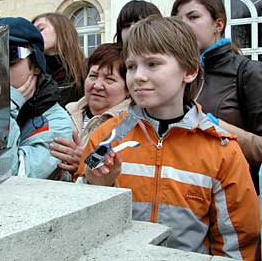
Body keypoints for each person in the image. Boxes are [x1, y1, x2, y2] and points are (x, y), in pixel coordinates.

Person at [78, 16, 260, 260]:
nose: (138, 76)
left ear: (189, 71)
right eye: (131, 66)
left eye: (153, 64)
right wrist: (97, 185)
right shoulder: (106, 136)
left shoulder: (222, 149)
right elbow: (80, 212)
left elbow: (237, 241)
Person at [171, 0, 262, 193]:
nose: (183, 25)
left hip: (234, 195)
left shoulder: (248, 72)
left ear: (218, 25)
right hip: (183, 195)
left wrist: (216, 126)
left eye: (193, 17)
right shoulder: (174, 74)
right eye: (177, 19)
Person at [0, 17, 73, 180]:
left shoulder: (56, 121)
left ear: (36, 65)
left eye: (11, 57)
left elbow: (13, 175)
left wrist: (8, 107)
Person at [49, 43, 130, 171]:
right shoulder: (64, 113)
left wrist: (85, 164)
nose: (97, 85)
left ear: (128, 88)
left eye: (109, 79)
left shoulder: (129, 125)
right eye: (93, 76)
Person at [32, 13, 86, 107]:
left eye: (40, 29)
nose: (34, 35)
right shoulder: (32, 70)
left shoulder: (84, 69)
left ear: (61, 30)